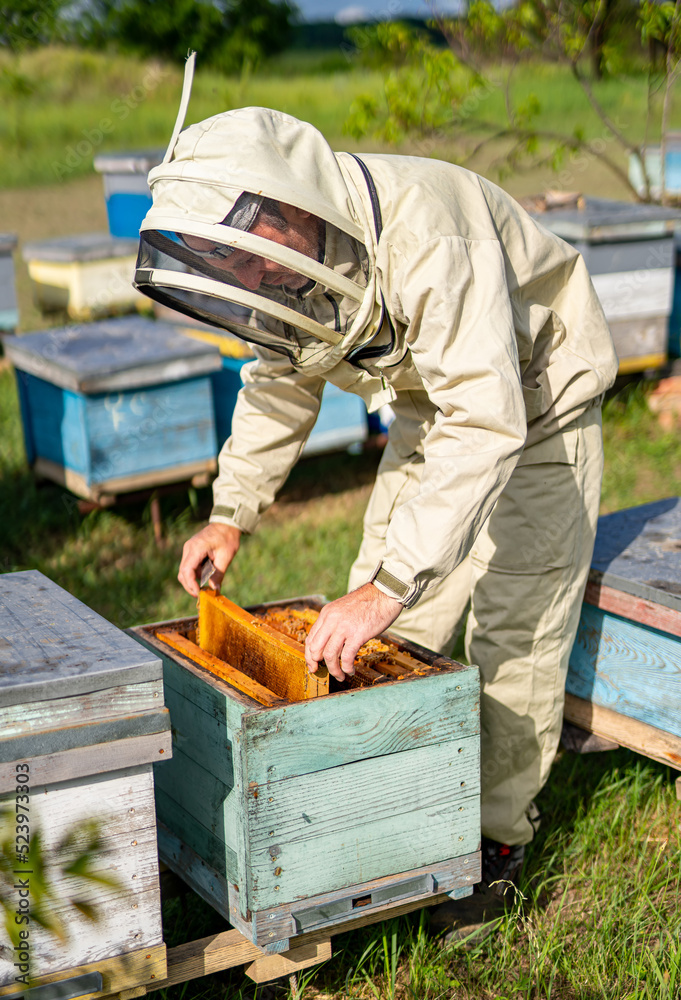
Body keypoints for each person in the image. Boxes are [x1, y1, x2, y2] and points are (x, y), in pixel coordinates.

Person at [134, 65, 618, 940]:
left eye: (243, 254)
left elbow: (490, 417)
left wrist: (389, 581)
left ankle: (494, 843)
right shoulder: (294, 257)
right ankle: (383, 818)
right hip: (436, 409)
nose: (246, 274)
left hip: (538, 408)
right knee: (381, 640)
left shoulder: (431, 229)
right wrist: (229, 510)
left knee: (515, 632)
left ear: (280, 210)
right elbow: (281, 378)